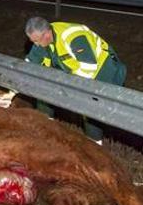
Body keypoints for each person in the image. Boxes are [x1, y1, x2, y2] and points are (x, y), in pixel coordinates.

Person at [23, 16, 126, 144]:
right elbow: (27, 66)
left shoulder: (73, 37)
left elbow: (88, 69)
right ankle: (45, 132)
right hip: (75, 72)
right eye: (33, 41)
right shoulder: (42, 40)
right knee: (45, 92)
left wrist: (64, 85)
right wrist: (11, 88)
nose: (36, 45)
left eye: (37, 41)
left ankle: (94, 145)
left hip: (104, 70)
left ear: (47, 33)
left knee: (90, 106)